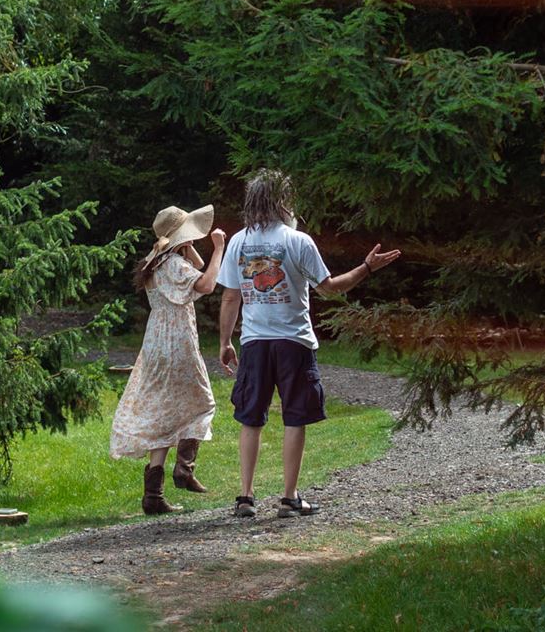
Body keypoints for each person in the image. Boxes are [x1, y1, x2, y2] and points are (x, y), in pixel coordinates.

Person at [216, 169, 401, 518]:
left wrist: (226, 341)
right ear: (283, 201)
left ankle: (245, 497)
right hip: (294, 342)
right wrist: (367, 268)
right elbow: (329, 288)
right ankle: (289, 498)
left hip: (254, 342)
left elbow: (230, 297)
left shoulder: (239, 242)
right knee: (294, 418)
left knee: (250, 419)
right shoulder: (298, 240)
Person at [110, 203, 227, 515]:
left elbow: (195, 266)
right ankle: (184, 470)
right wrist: (219, 249)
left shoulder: (156, 261)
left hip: (156, 342)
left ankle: (153, 496)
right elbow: (207, 283)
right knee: (203, 402)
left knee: (165, 411)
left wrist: (186, 244)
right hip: (177, 340)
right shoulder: (173, 265)